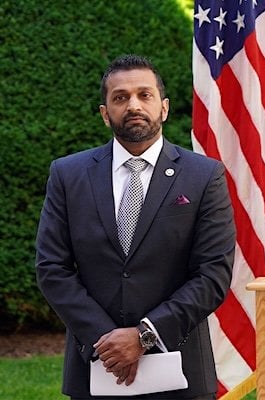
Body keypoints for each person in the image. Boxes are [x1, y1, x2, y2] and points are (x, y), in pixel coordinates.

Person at [35, 54, 236, 399]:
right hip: (95, 367)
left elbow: (213, 273)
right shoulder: (68, 175)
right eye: (120, 97)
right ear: (105, 113)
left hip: (182, 373)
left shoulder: (204, 176)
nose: (133, 105)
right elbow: (52, 268)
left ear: (164, 107)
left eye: (145, 95)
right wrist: (106, 342)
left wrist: (144, 335)